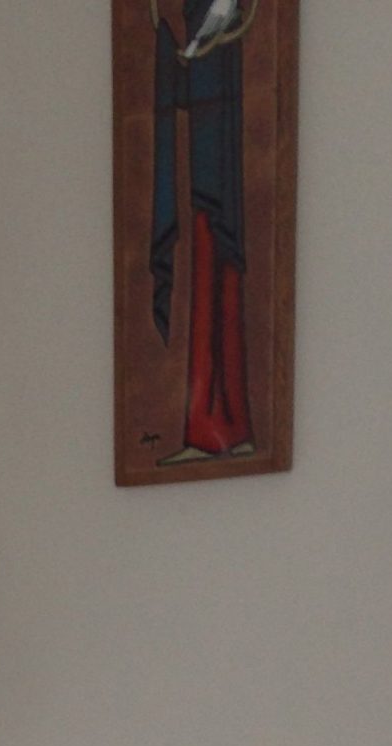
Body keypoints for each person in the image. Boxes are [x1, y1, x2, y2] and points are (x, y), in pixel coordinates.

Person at [148, 0, 255, 461]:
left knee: (216, 280)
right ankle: (205, 428)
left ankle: (221, 429)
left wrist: (187, 54)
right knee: (205, 275)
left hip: (214, 161)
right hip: (200, 156)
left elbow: (220, 29)